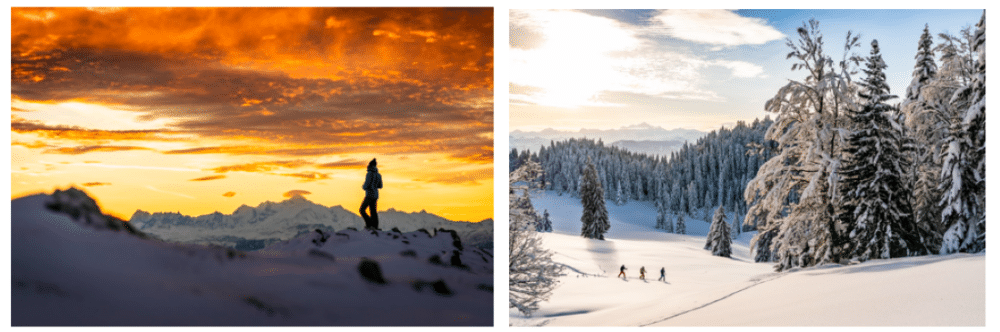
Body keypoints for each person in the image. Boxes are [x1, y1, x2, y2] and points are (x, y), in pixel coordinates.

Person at [359, 158, 383, 230]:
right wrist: (375, 185)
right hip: (375, 195)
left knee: (362, 209)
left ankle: (369, 224)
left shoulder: (369, 174)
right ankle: (375, 226)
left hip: (369, 194)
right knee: (373, 211)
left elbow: (367, 184)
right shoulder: (378, 175)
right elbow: (380, 186)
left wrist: (364, 187)